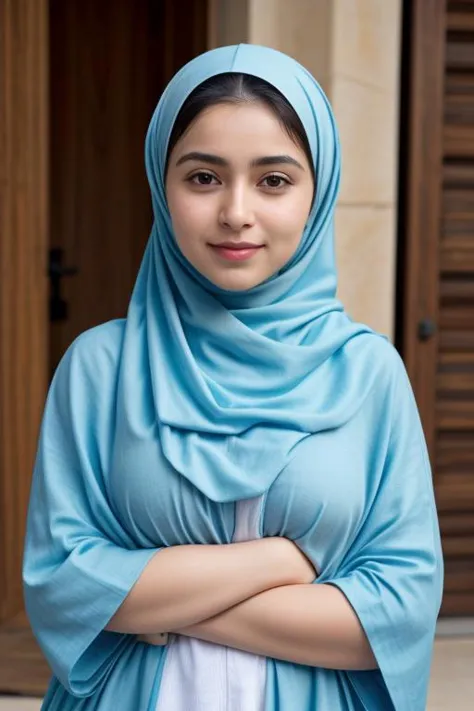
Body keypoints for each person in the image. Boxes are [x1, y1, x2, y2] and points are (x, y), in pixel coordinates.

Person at [23, 44, 443, 711]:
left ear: (318, 189)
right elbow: (63, 582)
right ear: (163, 185)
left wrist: (151, 603)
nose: (236, 212)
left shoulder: (368, 373)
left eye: (274, 180)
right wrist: (283, 562)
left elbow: (395, 613)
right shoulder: (99, 367)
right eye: (203, 178)